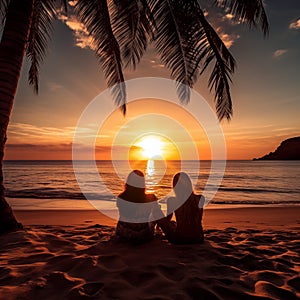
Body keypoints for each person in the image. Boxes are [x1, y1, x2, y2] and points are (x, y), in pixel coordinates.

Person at [157, 172, 204, 243]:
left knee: (158, 215)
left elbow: (168, 220)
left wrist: (160, 224)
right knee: (173, 223)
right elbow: (198, 219)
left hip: (180, 239)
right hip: (199, 238)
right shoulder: (200, 198)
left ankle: (156, 230)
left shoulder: (172, 200)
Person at [116, 170, 160, 243]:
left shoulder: (121, 197)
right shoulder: (150, 198)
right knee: (155, 213)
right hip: (143, 236)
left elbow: (124, 215)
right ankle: (159, 228)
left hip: (123, 234)